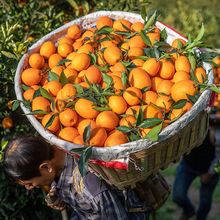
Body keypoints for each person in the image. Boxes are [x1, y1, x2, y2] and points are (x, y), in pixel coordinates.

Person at [3, 135, 150, 220]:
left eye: (29, 183)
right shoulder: (59, 153)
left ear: (46, 167)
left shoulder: (91, 189)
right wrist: (57, 194)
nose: (29, 188)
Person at [172, 120, 220, 220]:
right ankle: (189, 211)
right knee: (178, 195)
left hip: (208, 169)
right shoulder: (192, 120)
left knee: (205, 204)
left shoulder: (216, 132)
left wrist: (211, 173)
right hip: (188, 164)